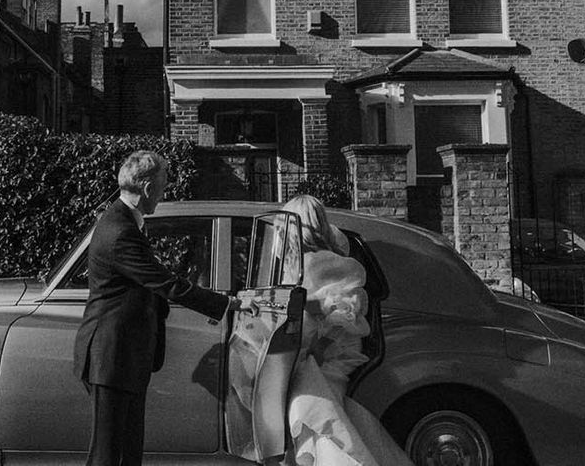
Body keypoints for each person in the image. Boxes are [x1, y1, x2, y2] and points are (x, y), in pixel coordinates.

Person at [73, 150, 239, 466]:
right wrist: (225, 303)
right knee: (109, 456)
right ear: (148, 189)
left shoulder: (123, 221)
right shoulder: (120, 230)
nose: (163, 194)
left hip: (123, 356)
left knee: (127, 455)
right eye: (162, 186)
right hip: (112, 355)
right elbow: (164, 282)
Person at [279, 194, 414, 466]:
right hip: (310, 351)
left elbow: (341, 314)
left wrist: (319, 339)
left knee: (304, 404)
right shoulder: (301, 262)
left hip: (329, 352)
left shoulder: (320, 264)